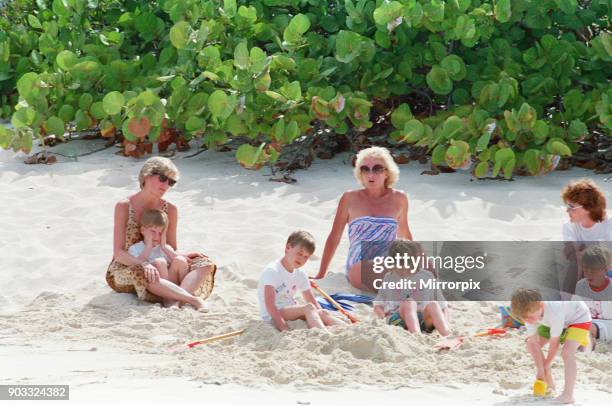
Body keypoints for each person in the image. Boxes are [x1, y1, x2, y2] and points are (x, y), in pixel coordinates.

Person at [106, 156, 216, 309]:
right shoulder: (124, 206)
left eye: (171, 182)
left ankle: (175, 301)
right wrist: (143, 263)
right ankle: (190, 299)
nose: (166, 185)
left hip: (161, 264)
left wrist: (181, 256)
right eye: (163, 178)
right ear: (146, 175)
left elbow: (169, 246)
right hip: (128, 265)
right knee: (143, 272)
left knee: (205, 263)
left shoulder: (170, 209)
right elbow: (118, 253)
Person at [314, 146, 413, 291]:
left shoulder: (400, 198)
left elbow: (405, 235)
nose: (370, 174)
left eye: (377, 168)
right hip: (359, 264)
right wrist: (321, 274)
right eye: (365, 169)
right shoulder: (349, 198)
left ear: (387, 172)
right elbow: (334, 237)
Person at [511, 288, 591, 404]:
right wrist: (541, 369)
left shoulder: (555, 310)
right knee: (530, 343)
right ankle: (549, 381)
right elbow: (533, 342)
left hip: (578, 318)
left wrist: (546, 365)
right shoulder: (529, 314)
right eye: (523, 318)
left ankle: (568, 395)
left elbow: (555, 344)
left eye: (530, 317)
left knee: (567, 353)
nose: (527, 321)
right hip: (549, 321)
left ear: (541, 305)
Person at [258, 231, 345, 331]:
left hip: (290, 309)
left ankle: (347, 329)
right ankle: (323, 334)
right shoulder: (272, 271)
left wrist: (323, 313)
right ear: (288, 247)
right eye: (300, 253)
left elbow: (311, 300)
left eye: (306, 257)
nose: (302, 259)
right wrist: (283, 328)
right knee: (309, 308)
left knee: (320, 311)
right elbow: (270, 305)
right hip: (273, 314)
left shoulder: (300, 274)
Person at [373, 240, 450, 335]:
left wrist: (445, 322)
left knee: (433, 304)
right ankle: (417, 336)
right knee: (409, 303)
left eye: (405, 266)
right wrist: (382, 316)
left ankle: (447, 335)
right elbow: (378, 304)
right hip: (398, 321)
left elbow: (443, 306)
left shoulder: (427, 276)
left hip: (423, 322)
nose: (402, 270)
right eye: (397, 266)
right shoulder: (389, 277)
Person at [561, 179, 612, 292]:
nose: (567, 210)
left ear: (588, 208)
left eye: (571, 207)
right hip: (585, 272)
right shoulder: (569, 226)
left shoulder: (609, 224)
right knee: (576, 264)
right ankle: (568, 300)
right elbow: (571, 255)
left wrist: (586, 250)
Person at [571, 245, 612, 347]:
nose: (589, 272)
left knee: (587, 328)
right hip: (587, 322)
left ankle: (586, 342)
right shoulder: (581, 285)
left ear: (606, 269)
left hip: (607, 325)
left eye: (594, 269)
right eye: (585, 268)